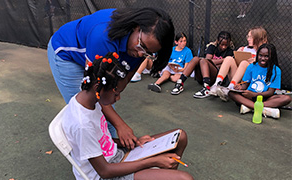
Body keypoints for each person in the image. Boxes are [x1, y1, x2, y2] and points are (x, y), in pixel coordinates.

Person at [47, 8, 175, 149]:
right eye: (142, 46)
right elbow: (94, 90)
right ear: (136, 28)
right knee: (86, 111)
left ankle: (112, 153)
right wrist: (121, 125)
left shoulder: (140, 49)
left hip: (98, 54)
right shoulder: (103, 36)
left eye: (148, 53)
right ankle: (91, 162)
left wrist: (115, 95)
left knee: (106, 113)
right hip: (67, 54)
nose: (140, 54)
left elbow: (119, 84)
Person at [62, 52, 193, 180]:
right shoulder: (82, 125)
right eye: (116, 93)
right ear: (98, 88)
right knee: (185, 178)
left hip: (118, 156)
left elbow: (101, 141)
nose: (118, 98)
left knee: (180, 137)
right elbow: (105, 171)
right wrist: (153, 162)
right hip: (106, 173)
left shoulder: (89, 100)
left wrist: (132, 143)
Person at [228, 44, 291, 118]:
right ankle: (262, 109)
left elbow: (270, 92)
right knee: (231, 93)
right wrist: (239, 87)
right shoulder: (251, 66)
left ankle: (250, 107)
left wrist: (254, 95)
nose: (263, 58)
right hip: (249, 96)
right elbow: (245, 85)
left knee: (287, 98)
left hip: (264, 97)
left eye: (266, 56)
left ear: (272, 57)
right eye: (260, 55)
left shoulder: (276, 70)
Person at [209, 26, 268, 101]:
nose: (248, 39)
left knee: (244, 63)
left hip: (249, 81)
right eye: (248, 36)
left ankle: (229, 89)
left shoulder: (264, 52)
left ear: (257, 38)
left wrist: (256, 61)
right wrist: (238, 54)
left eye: (250, 37)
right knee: (228, 59)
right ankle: (216, 85)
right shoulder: (244, 48)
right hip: (236, 78)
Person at [170, 31, 234, 98]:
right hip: (202, 76)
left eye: (226, 45)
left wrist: (214, 62)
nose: (223, 47)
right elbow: (208, 60)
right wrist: (223, 60)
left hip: (214, 78)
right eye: (222, 44)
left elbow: (213, 63)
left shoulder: (230, 51)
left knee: (203, 60)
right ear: (218, 41)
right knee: (196, 59)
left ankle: (206, 87)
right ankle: (180, 83)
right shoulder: (212, 47)